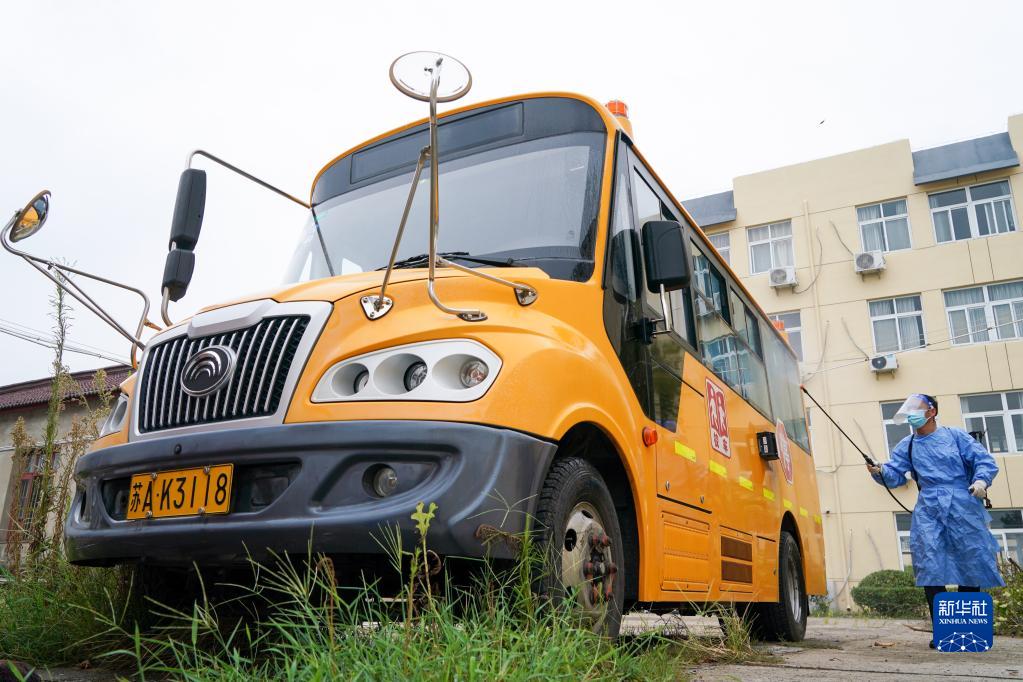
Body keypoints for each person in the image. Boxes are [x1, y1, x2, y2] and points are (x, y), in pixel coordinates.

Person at [866, 393, 1004, 648]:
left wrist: (981, 481)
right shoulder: (907, 445)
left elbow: (983, 460)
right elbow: (895, 475)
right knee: (929, 564)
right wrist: (880, 470)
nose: (911, 415)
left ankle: (966, 632)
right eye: (909, 410)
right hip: (929, 508)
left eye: (917, 409)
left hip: (963, 503)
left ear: (932, 412)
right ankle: (944, 631)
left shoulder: (955, 436)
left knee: (970, 562)